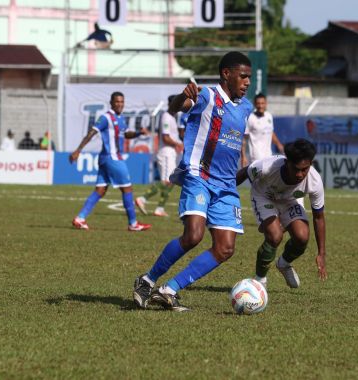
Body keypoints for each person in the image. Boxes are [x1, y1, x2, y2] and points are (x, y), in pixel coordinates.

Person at [132, 51, 253, 312]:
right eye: (243, 76)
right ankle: (148, 279)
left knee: (225, 248)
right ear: (226, 74)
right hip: (199, 175)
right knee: (193, 235)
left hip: (227, 185)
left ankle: (169, 290)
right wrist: (183, 96)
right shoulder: (207, 96)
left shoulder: (246, 107)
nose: (247, 82)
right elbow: (176, 108)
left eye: (249, 78)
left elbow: (235, 140)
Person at [236, 139, 327, 289]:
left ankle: (284, 264)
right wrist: (224, 192)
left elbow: (319, 217)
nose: (300, 174)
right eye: (296, 169)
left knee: (302, 237)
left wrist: (321, 253)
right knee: (275, 235)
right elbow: (245, 172)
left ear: (311, 164)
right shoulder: (266, 167)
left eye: (304, 169)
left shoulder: (315, 181)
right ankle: (260, 280)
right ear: (287, 162)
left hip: (290, 200)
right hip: (264, 196)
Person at [69, 91, 151, 232]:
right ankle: (133, 223)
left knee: (100, 190)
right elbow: (92, 132)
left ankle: (80, 218)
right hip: (112, 158)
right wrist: (78, 150)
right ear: (111, 103)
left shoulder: (121, 119)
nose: (120, 104)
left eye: (122, 102)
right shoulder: (106, 118)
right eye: (117, 101)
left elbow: (125, 134)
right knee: (127, 188)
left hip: (106, 159)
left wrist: (138, 133)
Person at [135, 95, 184, 217]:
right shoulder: (166, 117)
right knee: (167, 181)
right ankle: (143, 198)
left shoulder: (172, 117)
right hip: (166, 152)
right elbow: (165, 138)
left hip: (171, 153)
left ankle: (160, 208)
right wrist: (178, 144)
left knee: (171, 181)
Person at [240, 93, 283, 167]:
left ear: (266, 104)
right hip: (256, 158)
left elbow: (270, 132)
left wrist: (279, 144)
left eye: (262, 103)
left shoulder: (269, 116)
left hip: (268, 156)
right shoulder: (250, 118)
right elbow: (243, 138)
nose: (260, 106)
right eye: (258, 103)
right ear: (255, 104)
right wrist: (243, 157)